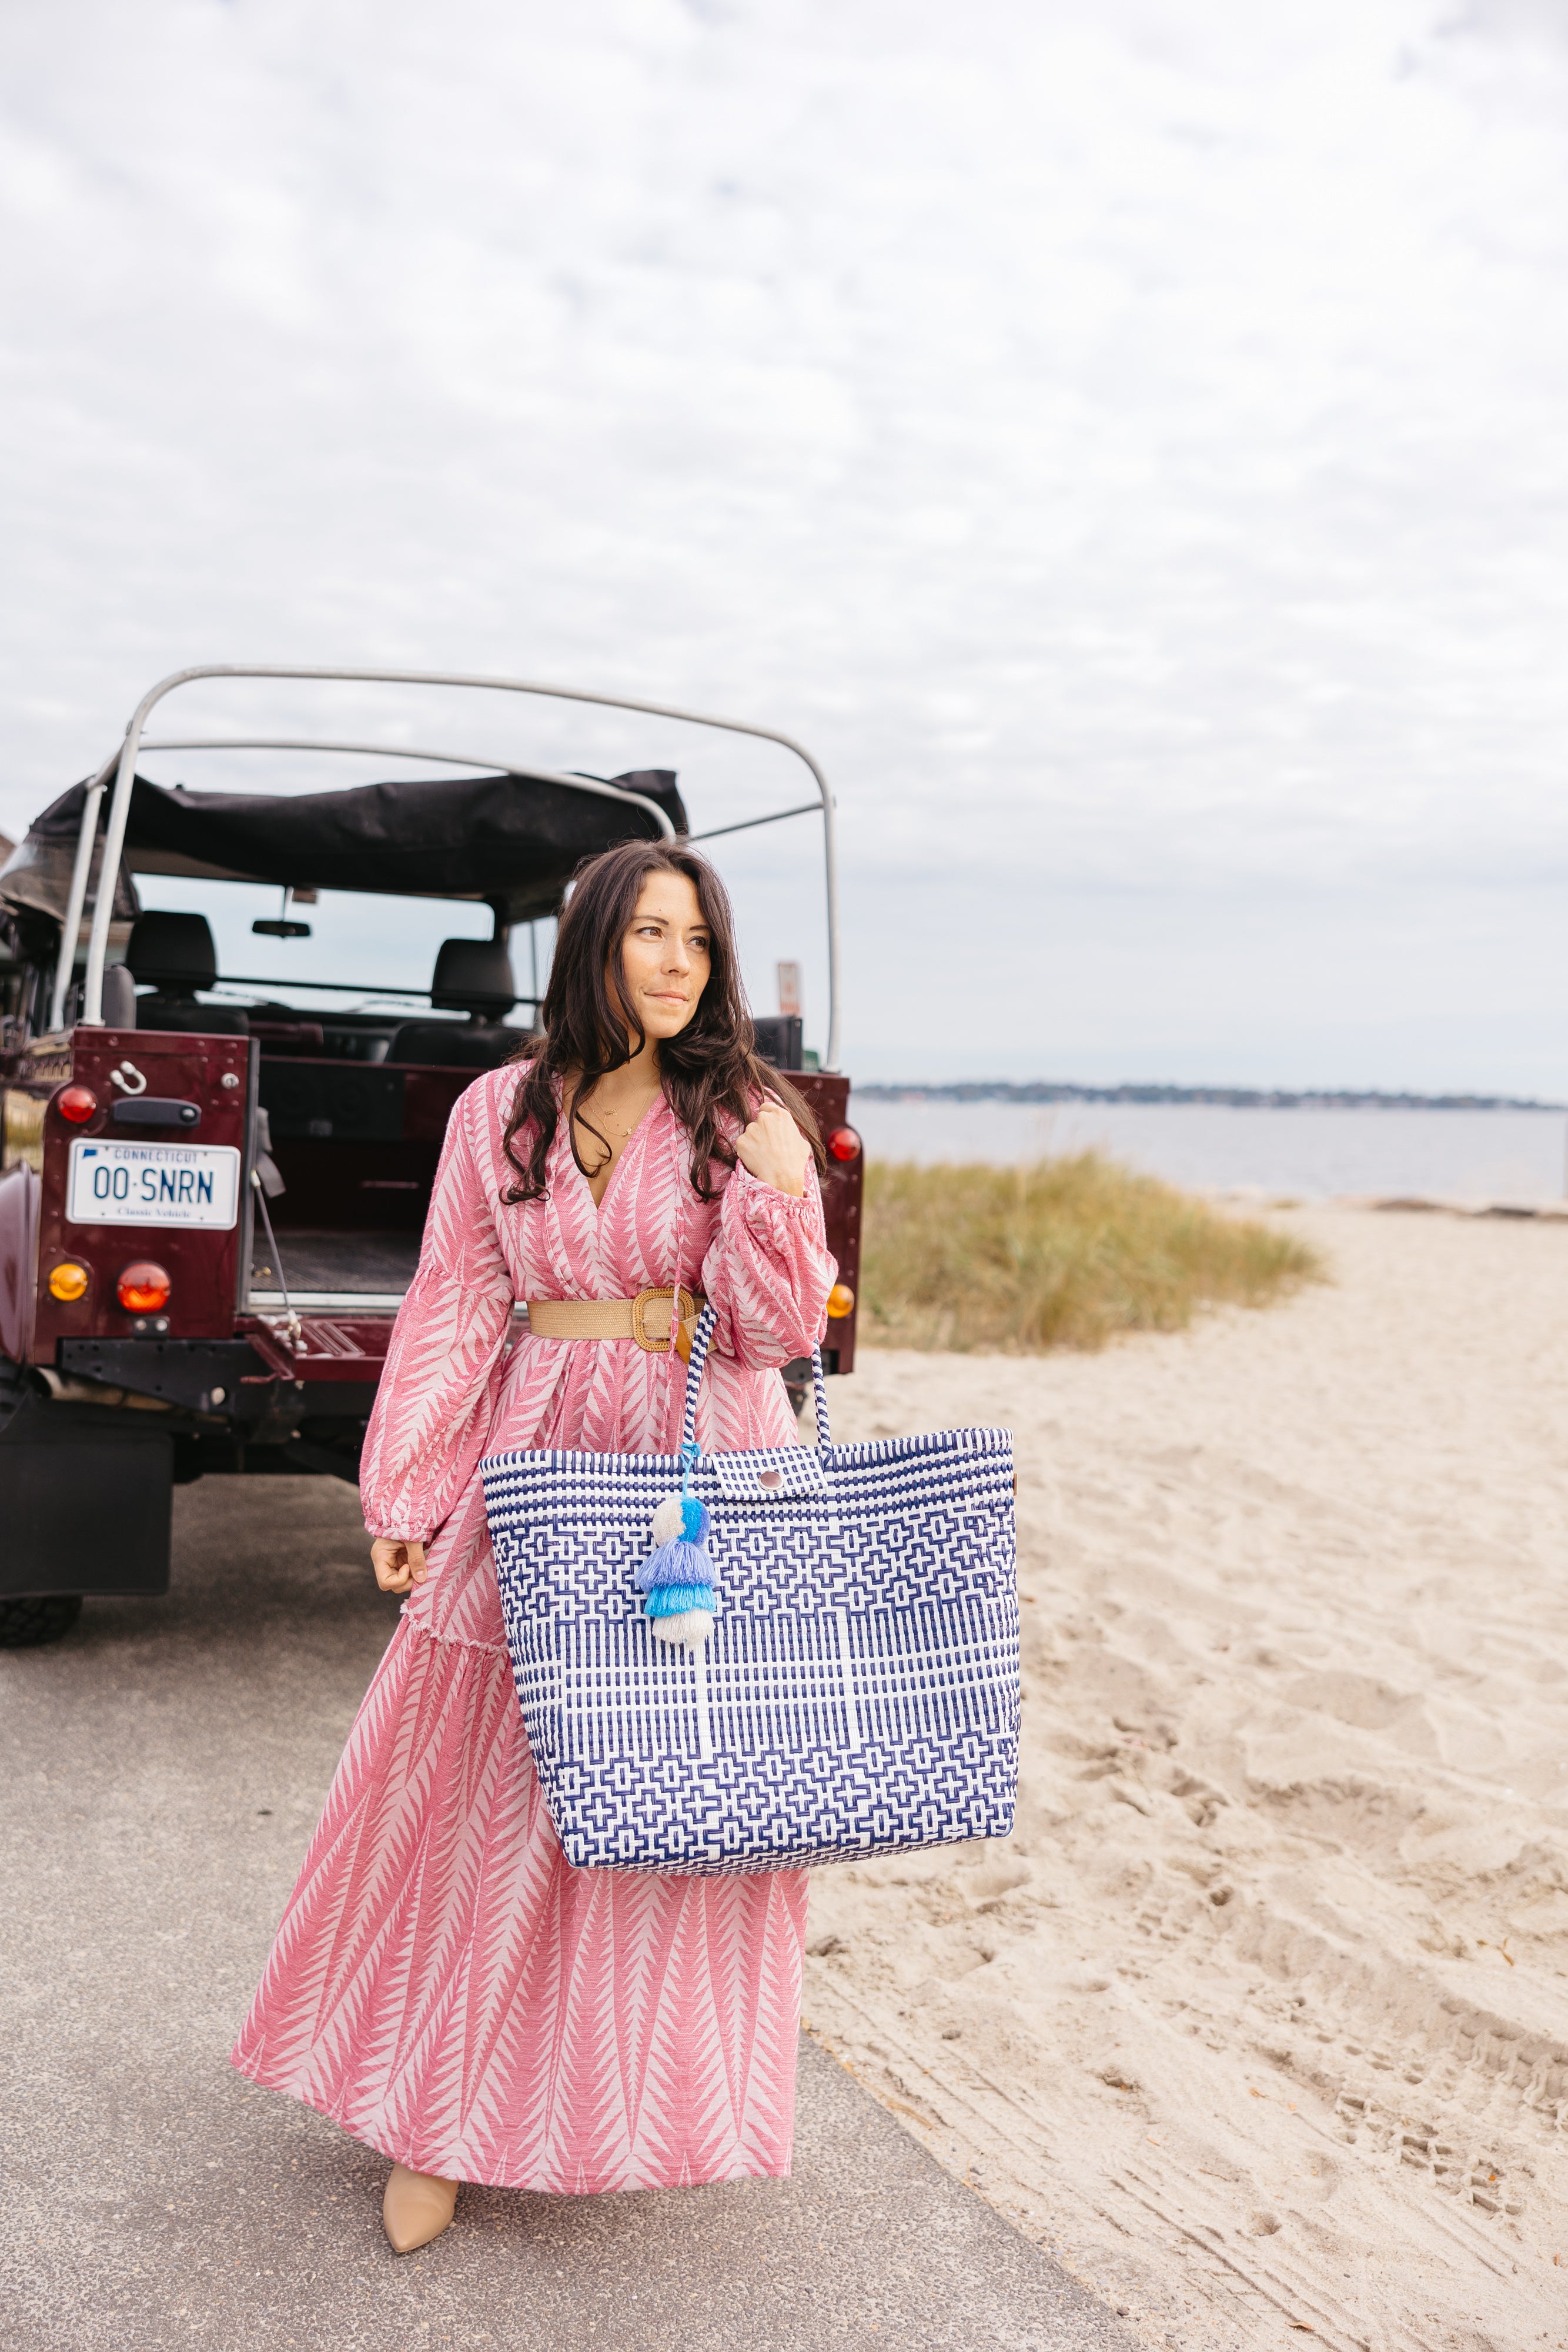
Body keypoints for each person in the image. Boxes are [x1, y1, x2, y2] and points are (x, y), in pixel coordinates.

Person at [230, 839, 835, 2253]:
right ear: (592, 948)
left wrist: (782, 1187)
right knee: (486, 1803)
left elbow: (778, 1332)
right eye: (650, 934)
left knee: (669, 1808)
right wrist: (406, 1490)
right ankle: (435, 2117)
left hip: (703, 1474)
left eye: (699, 938)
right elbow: (450, 1307)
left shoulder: (740, 1111)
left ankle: (617, 2109)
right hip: (544, 1464)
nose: (679, 962)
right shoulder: (497, 1111)